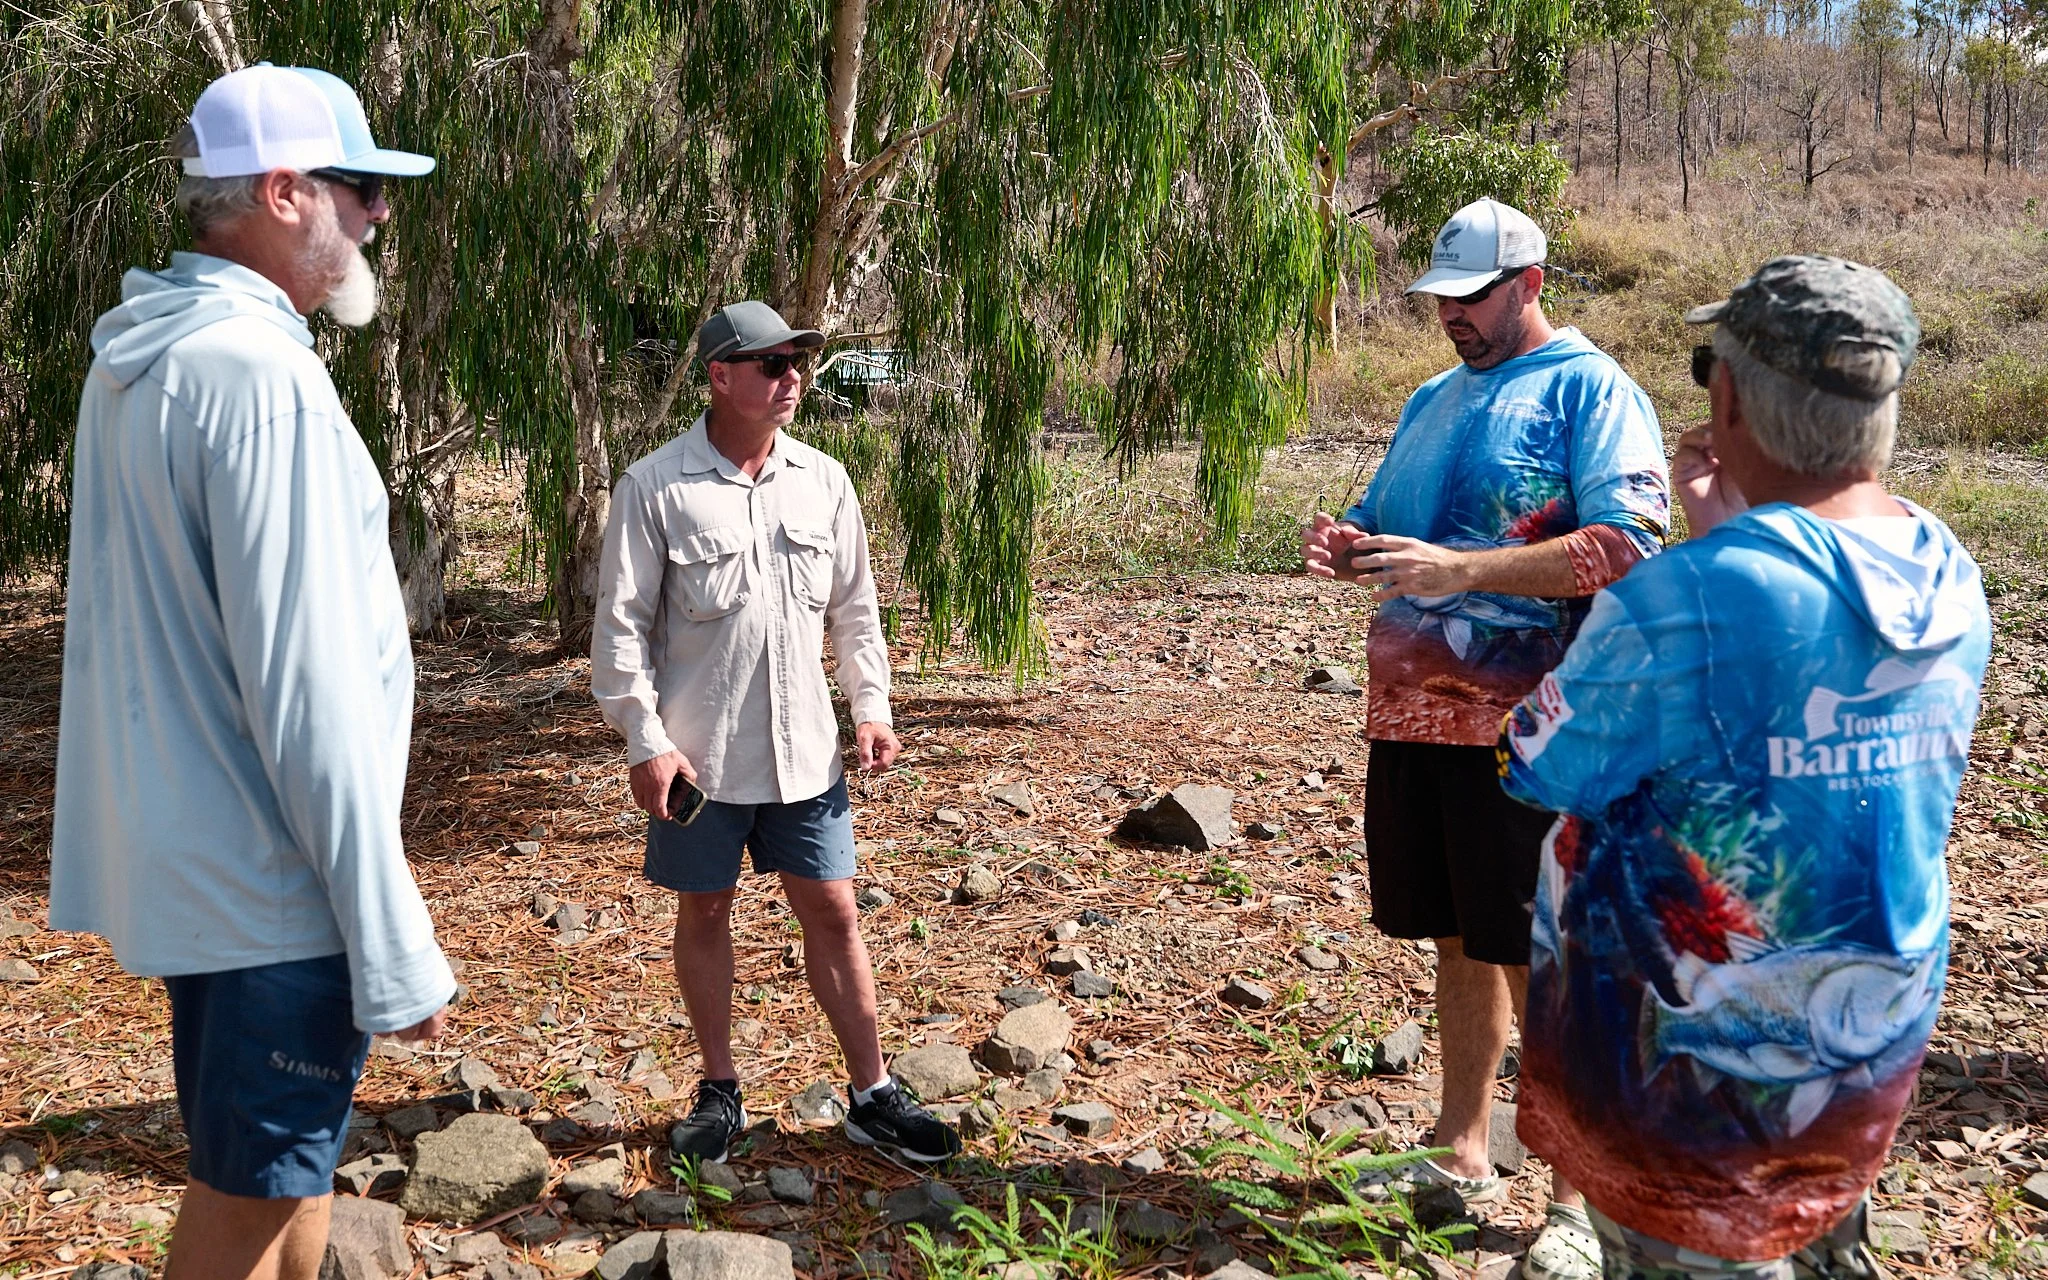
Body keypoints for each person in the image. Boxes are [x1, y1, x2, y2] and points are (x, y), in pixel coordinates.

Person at [1498, 256, 1987, 1278]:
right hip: (1860, 1041)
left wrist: (1710, 556)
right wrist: (1737, 538)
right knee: (1815, 1233)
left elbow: (1538, 759)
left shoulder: (1686, 597)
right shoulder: (1946, 569)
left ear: (1726, 397)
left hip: (1687, 1063)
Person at [50, 66, 453, 1280]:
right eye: (360, 186)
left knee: (286, 1166)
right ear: (284, 191)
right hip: (280, 881)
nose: (377, 215)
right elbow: (308, 686)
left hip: (215, 863)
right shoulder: (259, 375)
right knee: (243, 1188)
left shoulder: (145, 354)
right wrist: (389, 935)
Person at [1303, 198, 1671, 1279]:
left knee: (1547, 953)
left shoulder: (1589, 388)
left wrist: (1462, 570)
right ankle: (1461, 1147)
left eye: (1468, 298)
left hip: (1537, 729)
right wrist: (1346, 543)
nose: (1449, 318)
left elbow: (1627, 544)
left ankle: (1573, 1198)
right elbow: (1392, 525)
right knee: (1459, 935)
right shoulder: (1431, 395)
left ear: (1530, 282)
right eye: (1439, 300)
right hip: (1417, 718)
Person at [591, 300, 961, 1165]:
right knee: (707, 909)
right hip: (700, 762)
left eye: (799, 362)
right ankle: (720, 1093)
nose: (791, 378)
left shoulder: (825, 481)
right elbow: (620, 632)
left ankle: (872, 1094)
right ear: (720, 376)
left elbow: (855, 614)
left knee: (833, 910)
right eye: (771, 363)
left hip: (807, 755)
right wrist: (647, 740)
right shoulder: (654, 488)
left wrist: (871, 708)